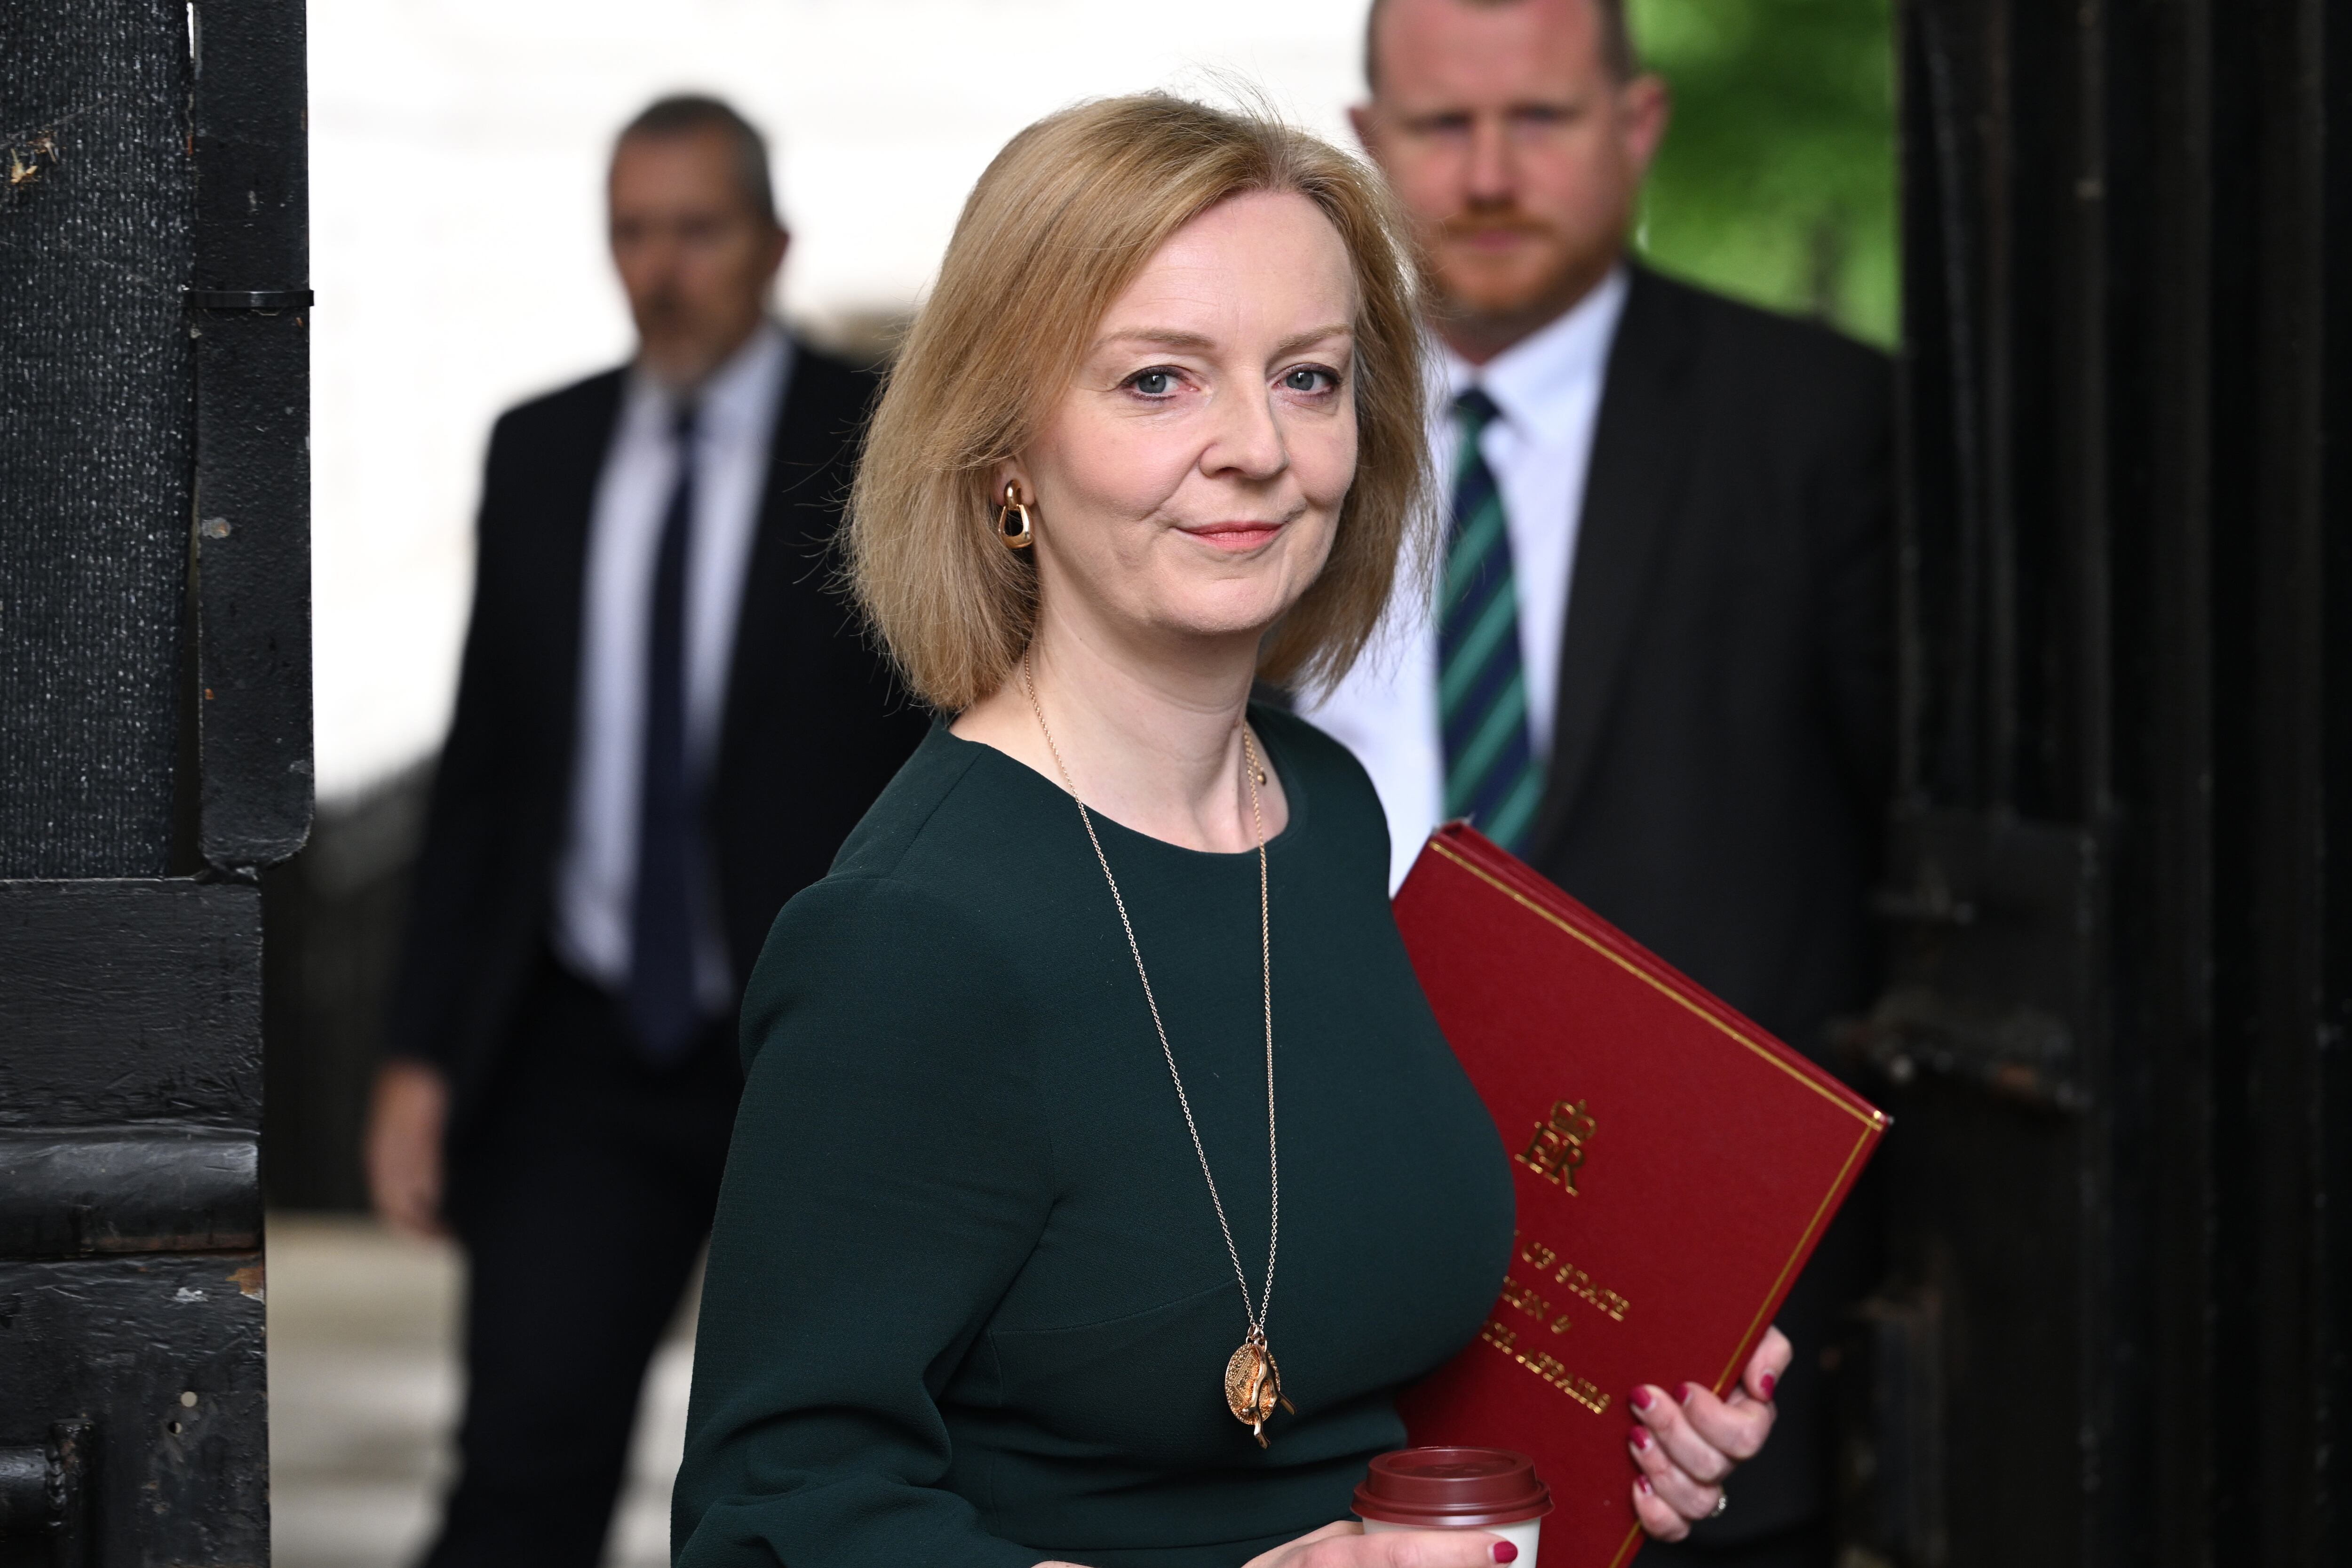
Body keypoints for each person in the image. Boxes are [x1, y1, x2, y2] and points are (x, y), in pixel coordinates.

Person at [673, 93, 1787, 1568]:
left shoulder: (1322, 811)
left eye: (1309, 378)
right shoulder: (910, 940)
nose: (1259, 446)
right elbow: (772, 1518)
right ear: (1006, 455)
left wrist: (1616, 1434)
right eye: (1159, 381)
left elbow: (1348, 1348)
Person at [1300, 2, 1894, 1562]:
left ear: (1638, 127)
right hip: (1308, 1303)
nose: (1490, 173)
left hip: (1693, 1368)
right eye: (1443, 126)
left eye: (1543, 119)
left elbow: (1918, 859)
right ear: (1369, 145)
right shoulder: (1282, 425)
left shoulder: (1822, 423)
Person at [366, 95, 927, 1568]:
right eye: (634, 233)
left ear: (774, 244)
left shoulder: (874, 442)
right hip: (583, 1034)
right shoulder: (542, 449)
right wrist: (420, 1057)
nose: (664, 270)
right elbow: (484, 773)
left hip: (815, 1046)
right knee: (521, 1466)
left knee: (829, 1473)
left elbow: (945, 737)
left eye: (698, 231)